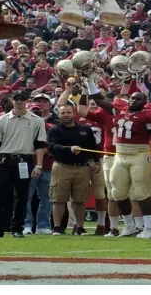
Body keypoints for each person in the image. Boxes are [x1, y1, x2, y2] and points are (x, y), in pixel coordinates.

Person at [0, 90, 47, 238]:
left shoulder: (37, 121)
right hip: (4, 160)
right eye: (17, 99)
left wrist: (38, 165)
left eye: (22, 98)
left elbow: (39, 145)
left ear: (27, 100)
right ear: (12, 100)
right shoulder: (1, 120)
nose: (19, 101)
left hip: (24, 161)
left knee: (22, 196)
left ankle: (17, 227)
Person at [45, 94, 99, 235]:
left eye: (68, 112)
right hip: (61, 166)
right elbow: (52, 147)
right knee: (58, 199)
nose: (66, 115)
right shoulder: (54, 131)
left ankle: (79, 227)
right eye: (63, 113)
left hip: (82, 167)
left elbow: (93, 147)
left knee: (80, 200)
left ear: (74, 113)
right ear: (59, 114)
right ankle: (57, 227)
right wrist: (69, 148)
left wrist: (96, 161)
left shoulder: (85, 130)